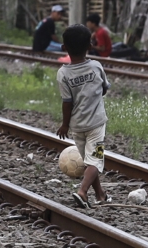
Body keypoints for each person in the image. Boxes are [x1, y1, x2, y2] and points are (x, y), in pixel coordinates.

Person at [56, 24, 111, 209]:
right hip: (96, 124)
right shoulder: (96, 67)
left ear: (64, 48)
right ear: (90, 45)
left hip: (76, 126)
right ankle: (83, 191)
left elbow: (67, 102)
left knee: (89, 162)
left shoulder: (63, 73)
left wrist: (65, 125)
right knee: (96, 159)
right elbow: (104, 89)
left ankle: (100, 195)